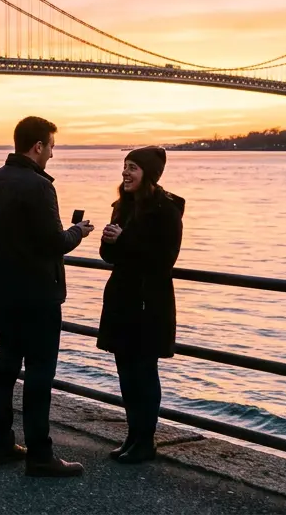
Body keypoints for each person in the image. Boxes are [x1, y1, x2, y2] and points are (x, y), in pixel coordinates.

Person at [0, 116, 93, 477]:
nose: (52, 156)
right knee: (40, 373)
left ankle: (1, 444)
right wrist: (78, 231)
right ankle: (40, 455)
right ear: (38, 146)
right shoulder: (39, 187)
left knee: (6, 366)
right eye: (51, 148)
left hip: (4, 291)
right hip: (40, 295)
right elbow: (53, 243)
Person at [97, 146, 184, 464]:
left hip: (150, 302)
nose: (125, 173)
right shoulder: (122, 206)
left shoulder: (167, 210)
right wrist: (109, 243)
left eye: (132, 167)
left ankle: (146, 441)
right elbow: (111, 257)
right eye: (124, 166)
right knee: (125, 371)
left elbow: (165, 260)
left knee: (144, 371)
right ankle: (132, 436)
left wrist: (125, 240)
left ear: (149, 173)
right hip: (122, 298)